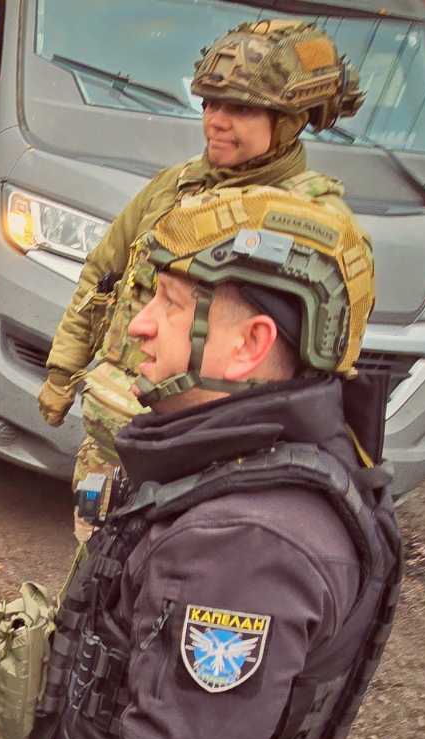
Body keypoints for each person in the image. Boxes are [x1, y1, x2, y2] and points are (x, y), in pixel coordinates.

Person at [0, 187, 401, 739]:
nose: (141, 326)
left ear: (250, 347)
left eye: (174, 307)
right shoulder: (240, 444)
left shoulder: (247, 548)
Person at [34, 20, 364, 541]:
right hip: (113, 433)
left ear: (291, 120)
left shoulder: (313, 226)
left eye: (241, 108)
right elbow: (104, 275)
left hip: (203, 460)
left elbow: (315, 371)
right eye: (210, 103)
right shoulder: (177, 185)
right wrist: (63, 371)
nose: (216, 121)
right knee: (94, 569)